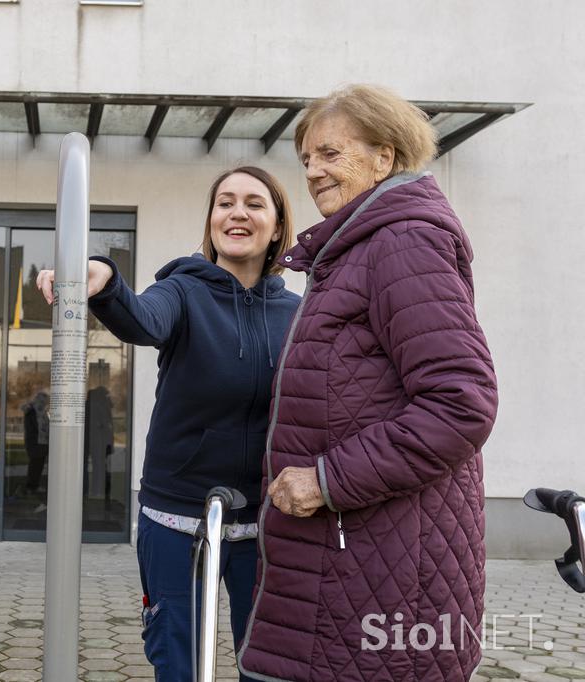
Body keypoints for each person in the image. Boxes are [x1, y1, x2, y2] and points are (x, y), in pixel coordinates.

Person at [237, 85, 498, 682]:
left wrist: (329, 480)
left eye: (330, 154)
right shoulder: (355, 249)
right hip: (353, 563)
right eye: (305, 159)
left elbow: (462, 402)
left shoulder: (401, 242)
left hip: (380, 574)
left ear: (385, 158)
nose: (312, 172)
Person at [39, 166, 299, 681]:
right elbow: (141, 318)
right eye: (224, 202)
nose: (237, 213)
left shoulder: (299, 313)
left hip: (267, 522)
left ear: (276, 225)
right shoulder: (183, 291)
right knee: (177, 660)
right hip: (177, 519)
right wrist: (107, 281)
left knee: (270, 663)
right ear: (211, 220)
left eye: (253, 203)